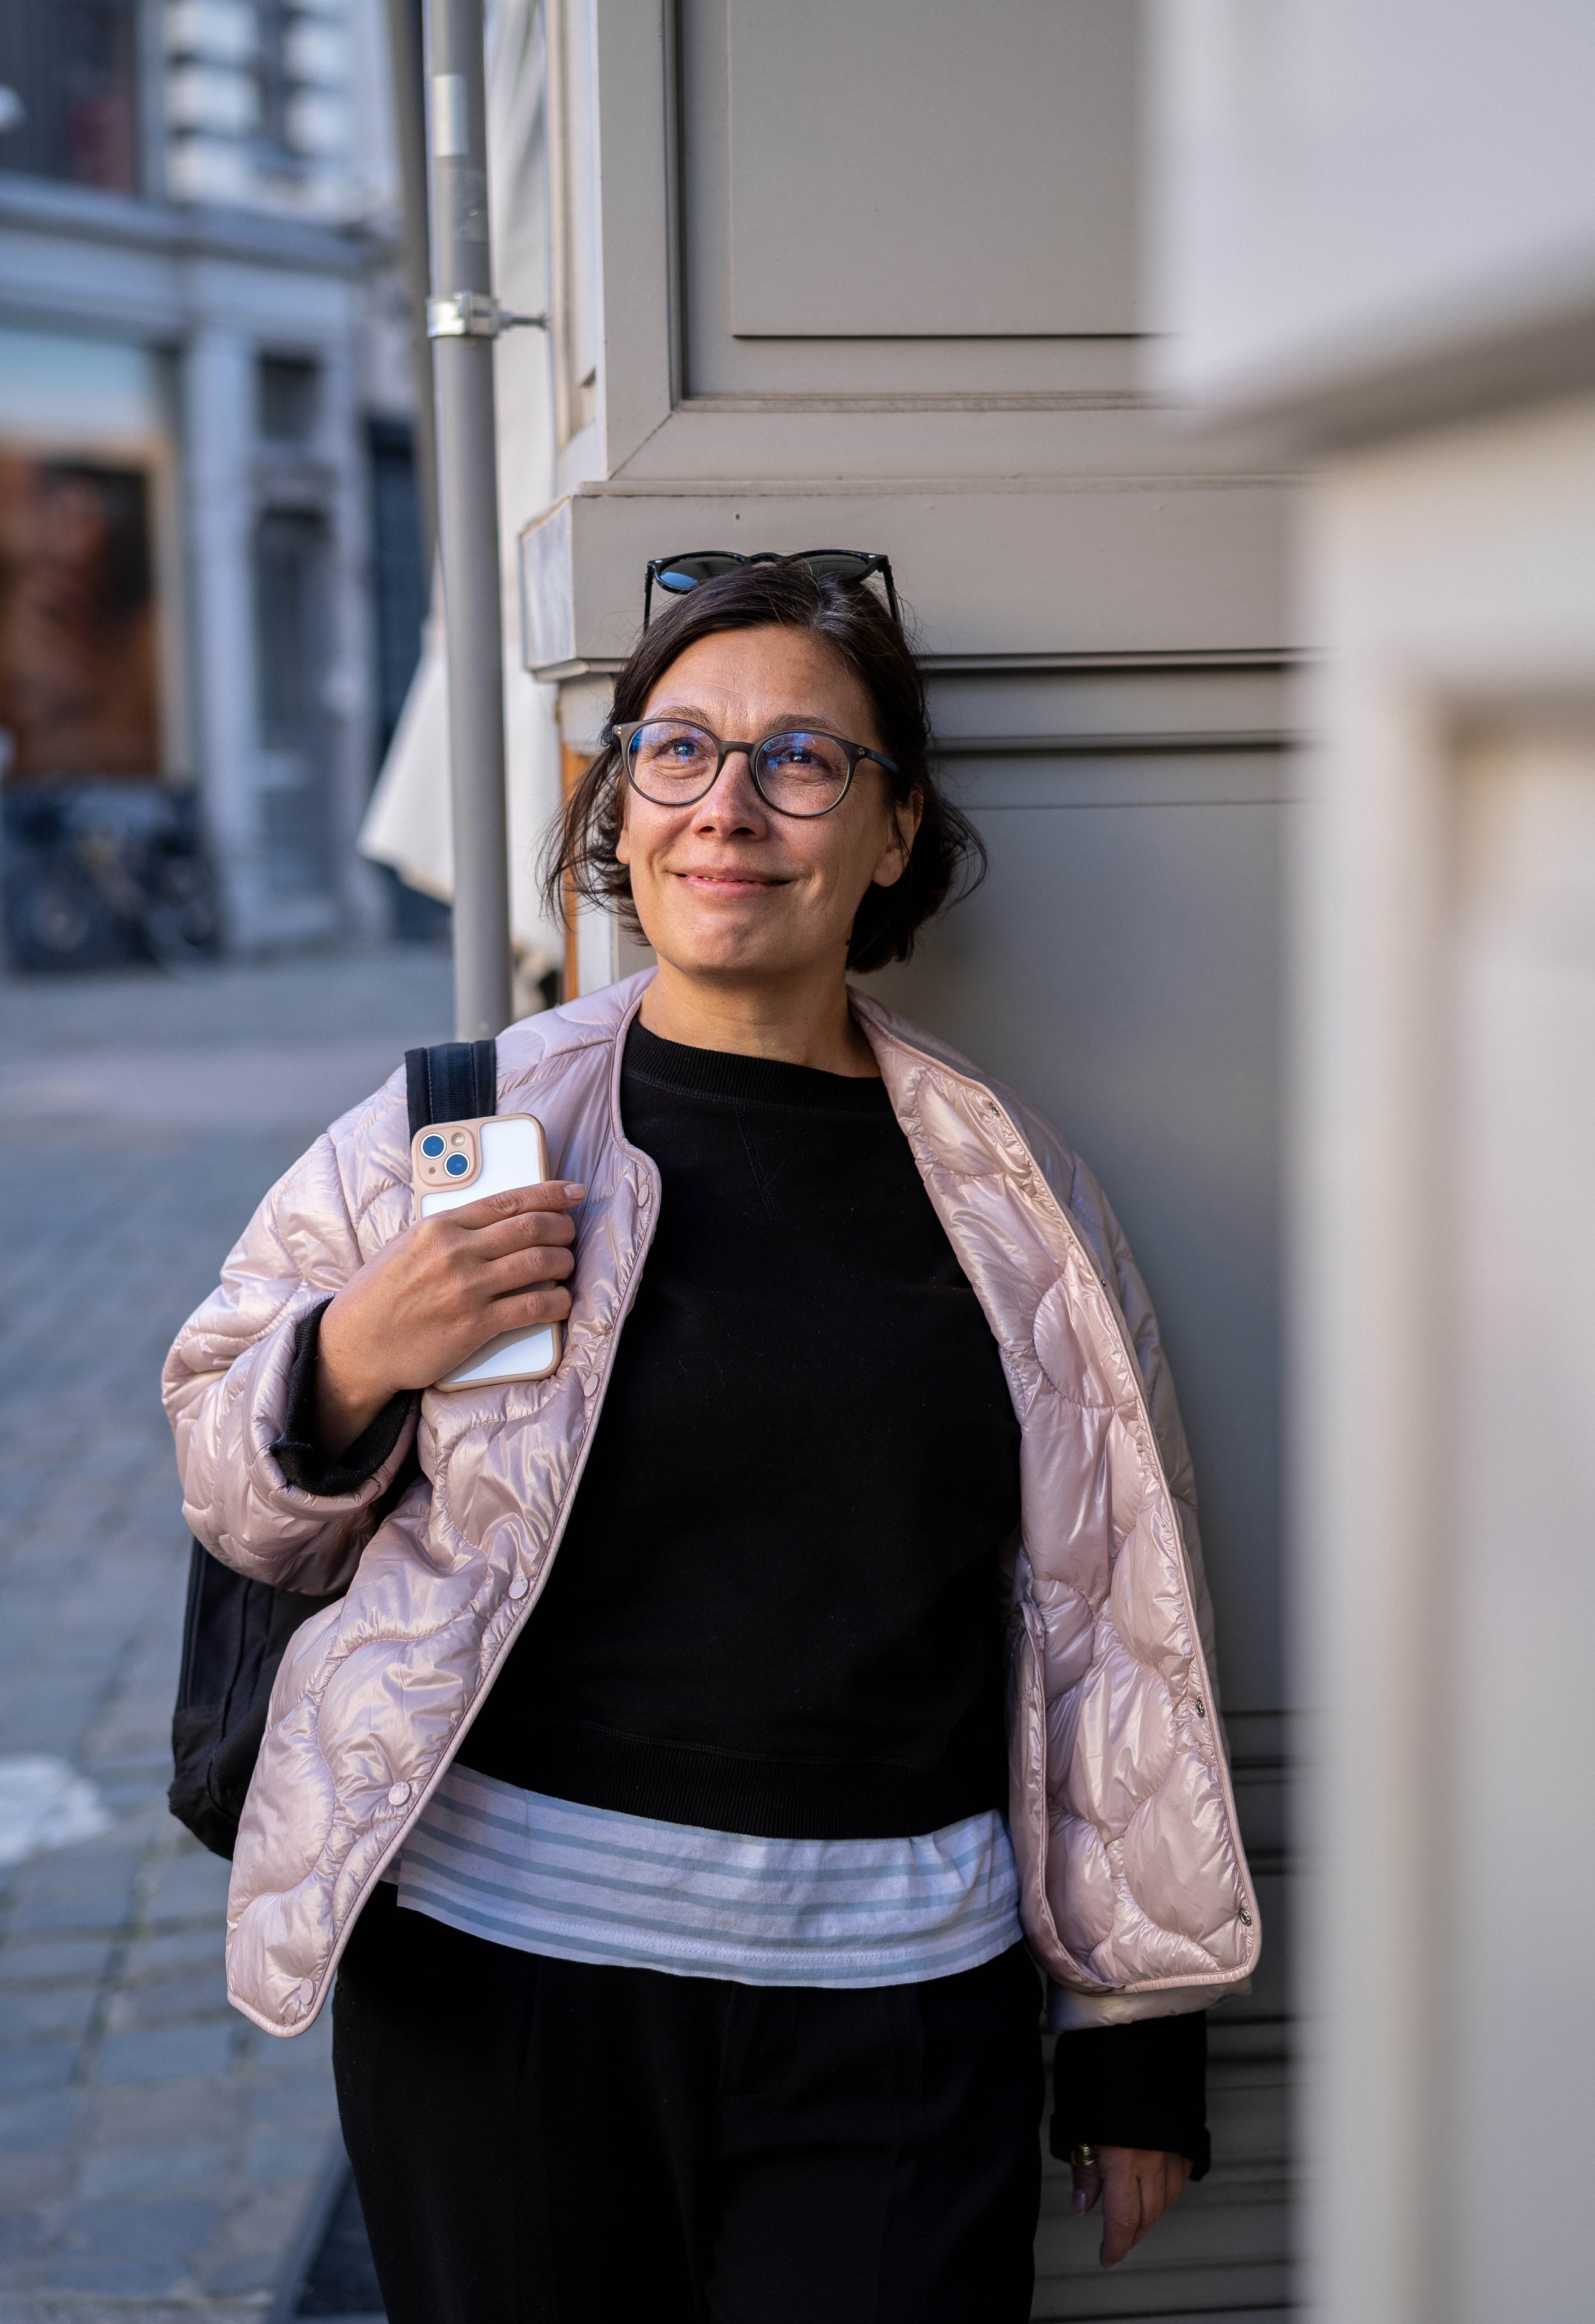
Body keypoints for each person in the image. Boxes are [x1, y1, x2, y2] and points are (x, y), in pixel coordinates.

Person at [164, 559, 1258, 2324]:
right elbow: (232, 1484)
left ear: (894, 835)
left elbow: (1111, 1618)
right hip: (501, 1993)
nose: (727, 809)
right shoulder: (459, 1128)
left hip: (900, 2012)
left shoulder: (1015, 1196)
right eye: (677, 752)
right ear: (620, 804)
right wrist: (353, 1356)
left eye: (802, 761)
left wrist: (1137, 2033)